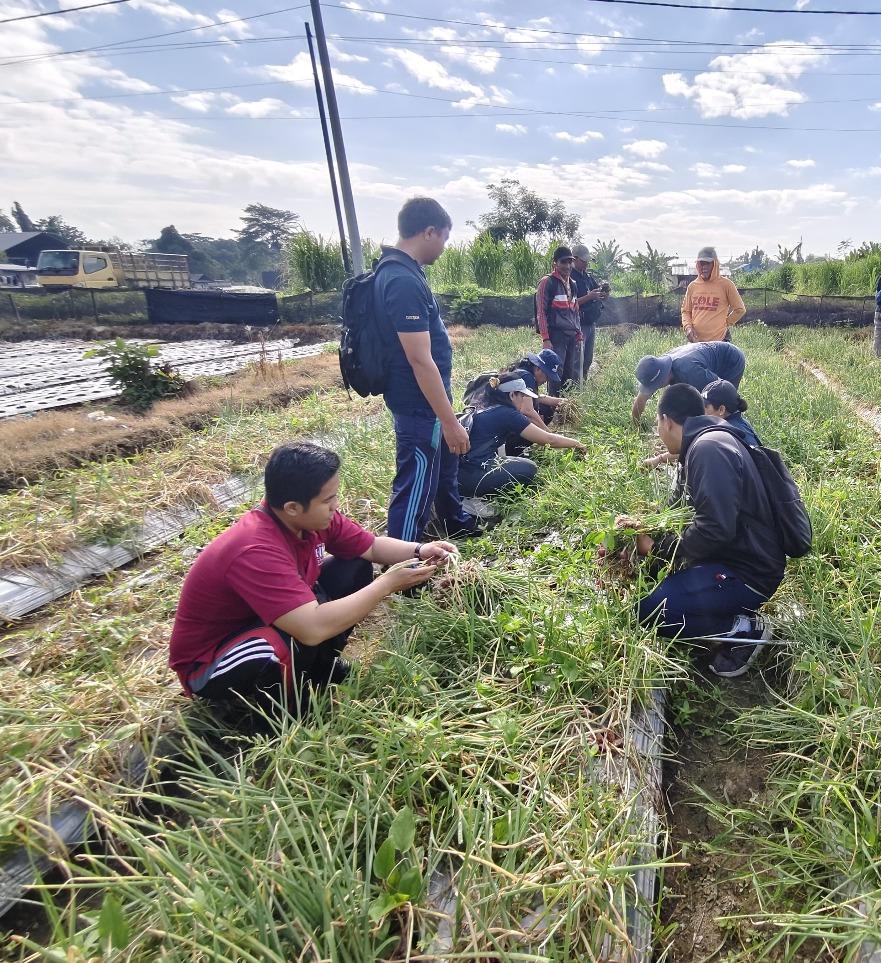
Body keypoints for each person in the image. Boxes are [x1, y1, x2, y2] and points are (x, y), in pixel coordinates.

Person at [169, 442, 458, 716]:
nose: (336, 506)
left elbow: (369, 546)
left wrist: (420, 550)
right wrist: (387, 584)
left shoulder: (310, 519)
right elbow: (311, 628)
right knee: (280, 642)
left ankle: (319, 668)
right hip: (212, 661)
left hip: (267, 620)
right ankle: (283, 716)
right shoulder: (254, 547)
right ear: (293, 506)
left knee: (355, 566)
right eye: (328, 499)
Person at [626, 384, 786, 679]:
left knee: (649, 611)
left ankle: (742, 628)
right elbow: (694, 517)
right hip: (733, 558)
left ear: (666, 421)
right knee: (651, 583)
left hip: (748, 572)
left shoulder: (707, 449)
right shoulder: (705, 441)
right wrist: (645, 528)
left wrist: (657, 547)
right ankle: (720, 612)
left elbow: (715, 529)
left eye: (656, 425)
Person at [376, 197, 480, 543]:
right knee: (416, 482)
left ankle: (453, 522)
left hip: (430, 401)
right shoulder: (401, 280)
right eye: (445, 239)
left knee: (442, 468)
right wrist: (449, 421)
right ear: (429, 232)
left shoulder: (407, 272)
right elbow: (420, 359)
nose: (444, 248)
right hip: (418, 404)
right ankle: (405, 565)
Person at [457, 372, 585, 497]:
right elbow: (548, 440)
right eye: (522, 396)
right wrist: (576, 444)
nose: (524, 400)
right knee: (529, 469)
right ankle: (469, 500)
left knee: (518, 463)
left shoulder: (487, 405)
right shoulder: (507, 414)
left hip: (459, 470)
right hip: (470, 474)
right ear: (512, 395)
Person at [631, 340, 747, 421]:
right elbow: (641, 399)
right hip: (705, 361)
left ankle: (735, 431)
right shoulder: (655, 367)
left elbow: (720, 387)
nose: (654, 389)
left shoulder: (689, 371)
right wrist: (637, 428)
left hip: (730, 359)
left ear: (663, 378)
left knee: (720, 405)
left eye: (656, 386)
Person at [536, 246, 584, 389]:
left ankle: (565, 407)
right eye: (564, 262)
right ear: (555, 264)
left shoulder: (573, 284)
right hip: (556, 336)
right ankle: (553, 406)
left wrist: (579, 333)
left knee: (570, 374)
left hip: (571, 335)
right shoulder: (547, 282)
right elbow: (541, 312)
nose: (568, 266)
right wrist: (546, 339)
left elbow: (575, 310)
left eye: (570, 262)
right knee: (556, 372)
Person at [681, 245, 746, 343]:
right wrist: (688, 328)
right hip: (696, 342)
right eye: (701, 263)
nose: (704, 267)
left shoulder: (726, 285)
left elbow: (740, 309)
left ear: (715, 264)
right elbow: (686, 311)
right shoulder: (693, 286)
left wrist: (725, 323)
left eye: (708, 263)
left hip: (720, 341)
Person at [570, 244, 609, 377]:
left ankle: (583, 385)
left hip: (590, 322)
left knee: (587, 359)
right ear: (574, 259)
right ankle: (575, 389)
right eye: (583, 261)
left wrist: (603, 294)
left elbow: (596, 292)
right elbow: (568, 303)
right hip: (578, 324)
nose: (586, 264)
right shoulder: (569, 278)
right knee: (577, 361)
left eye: (587, 261)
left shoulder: (587, 276)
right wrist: (589, 297)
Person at [702, 379, 761, 446]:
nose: (701, 411)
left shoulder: (729, 433)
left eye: (705, 407)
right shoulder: (740, 423)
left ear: (721, 410)